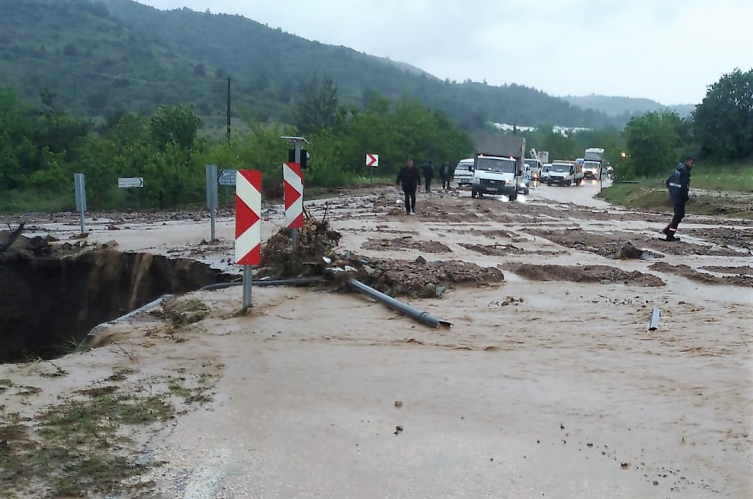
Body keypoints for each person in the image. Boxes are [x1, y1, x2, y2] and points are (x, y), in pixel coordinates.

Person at [663, 156, 695, 241]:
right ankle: (669, 235)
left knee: (679, 215)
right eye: (692, 163)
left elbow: (667, 182)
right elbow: (684, 187)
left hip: (674, 195)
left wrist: (672, 191)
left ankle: (668, 230)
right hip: (679, 196)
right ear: (687, 162)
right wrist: (686, 199)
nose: (693, 165)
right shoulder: (685, 172)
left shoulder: (677, 170)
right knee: (678, 215)